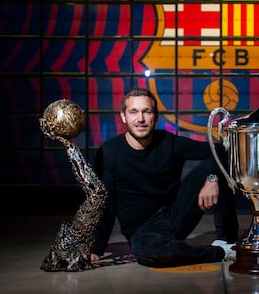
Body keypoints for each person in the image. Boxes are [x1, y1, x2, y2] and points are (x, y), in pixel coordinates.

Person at [91, 87, 239, 267]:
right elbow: (106, 206)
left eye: (147, 111)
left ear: (155, 115)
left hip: (175, 217)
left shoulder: (169, 142)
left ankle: (229, 241)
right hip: (142, 232)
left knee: (215, 166)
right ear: (123, 116)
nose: (141, 119)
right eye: (133, 112)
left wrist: (212, 179)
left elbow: (221, 150)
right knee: (155, 254)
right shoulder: (110, 153)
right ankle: (220, 251)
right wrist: (96, 248)